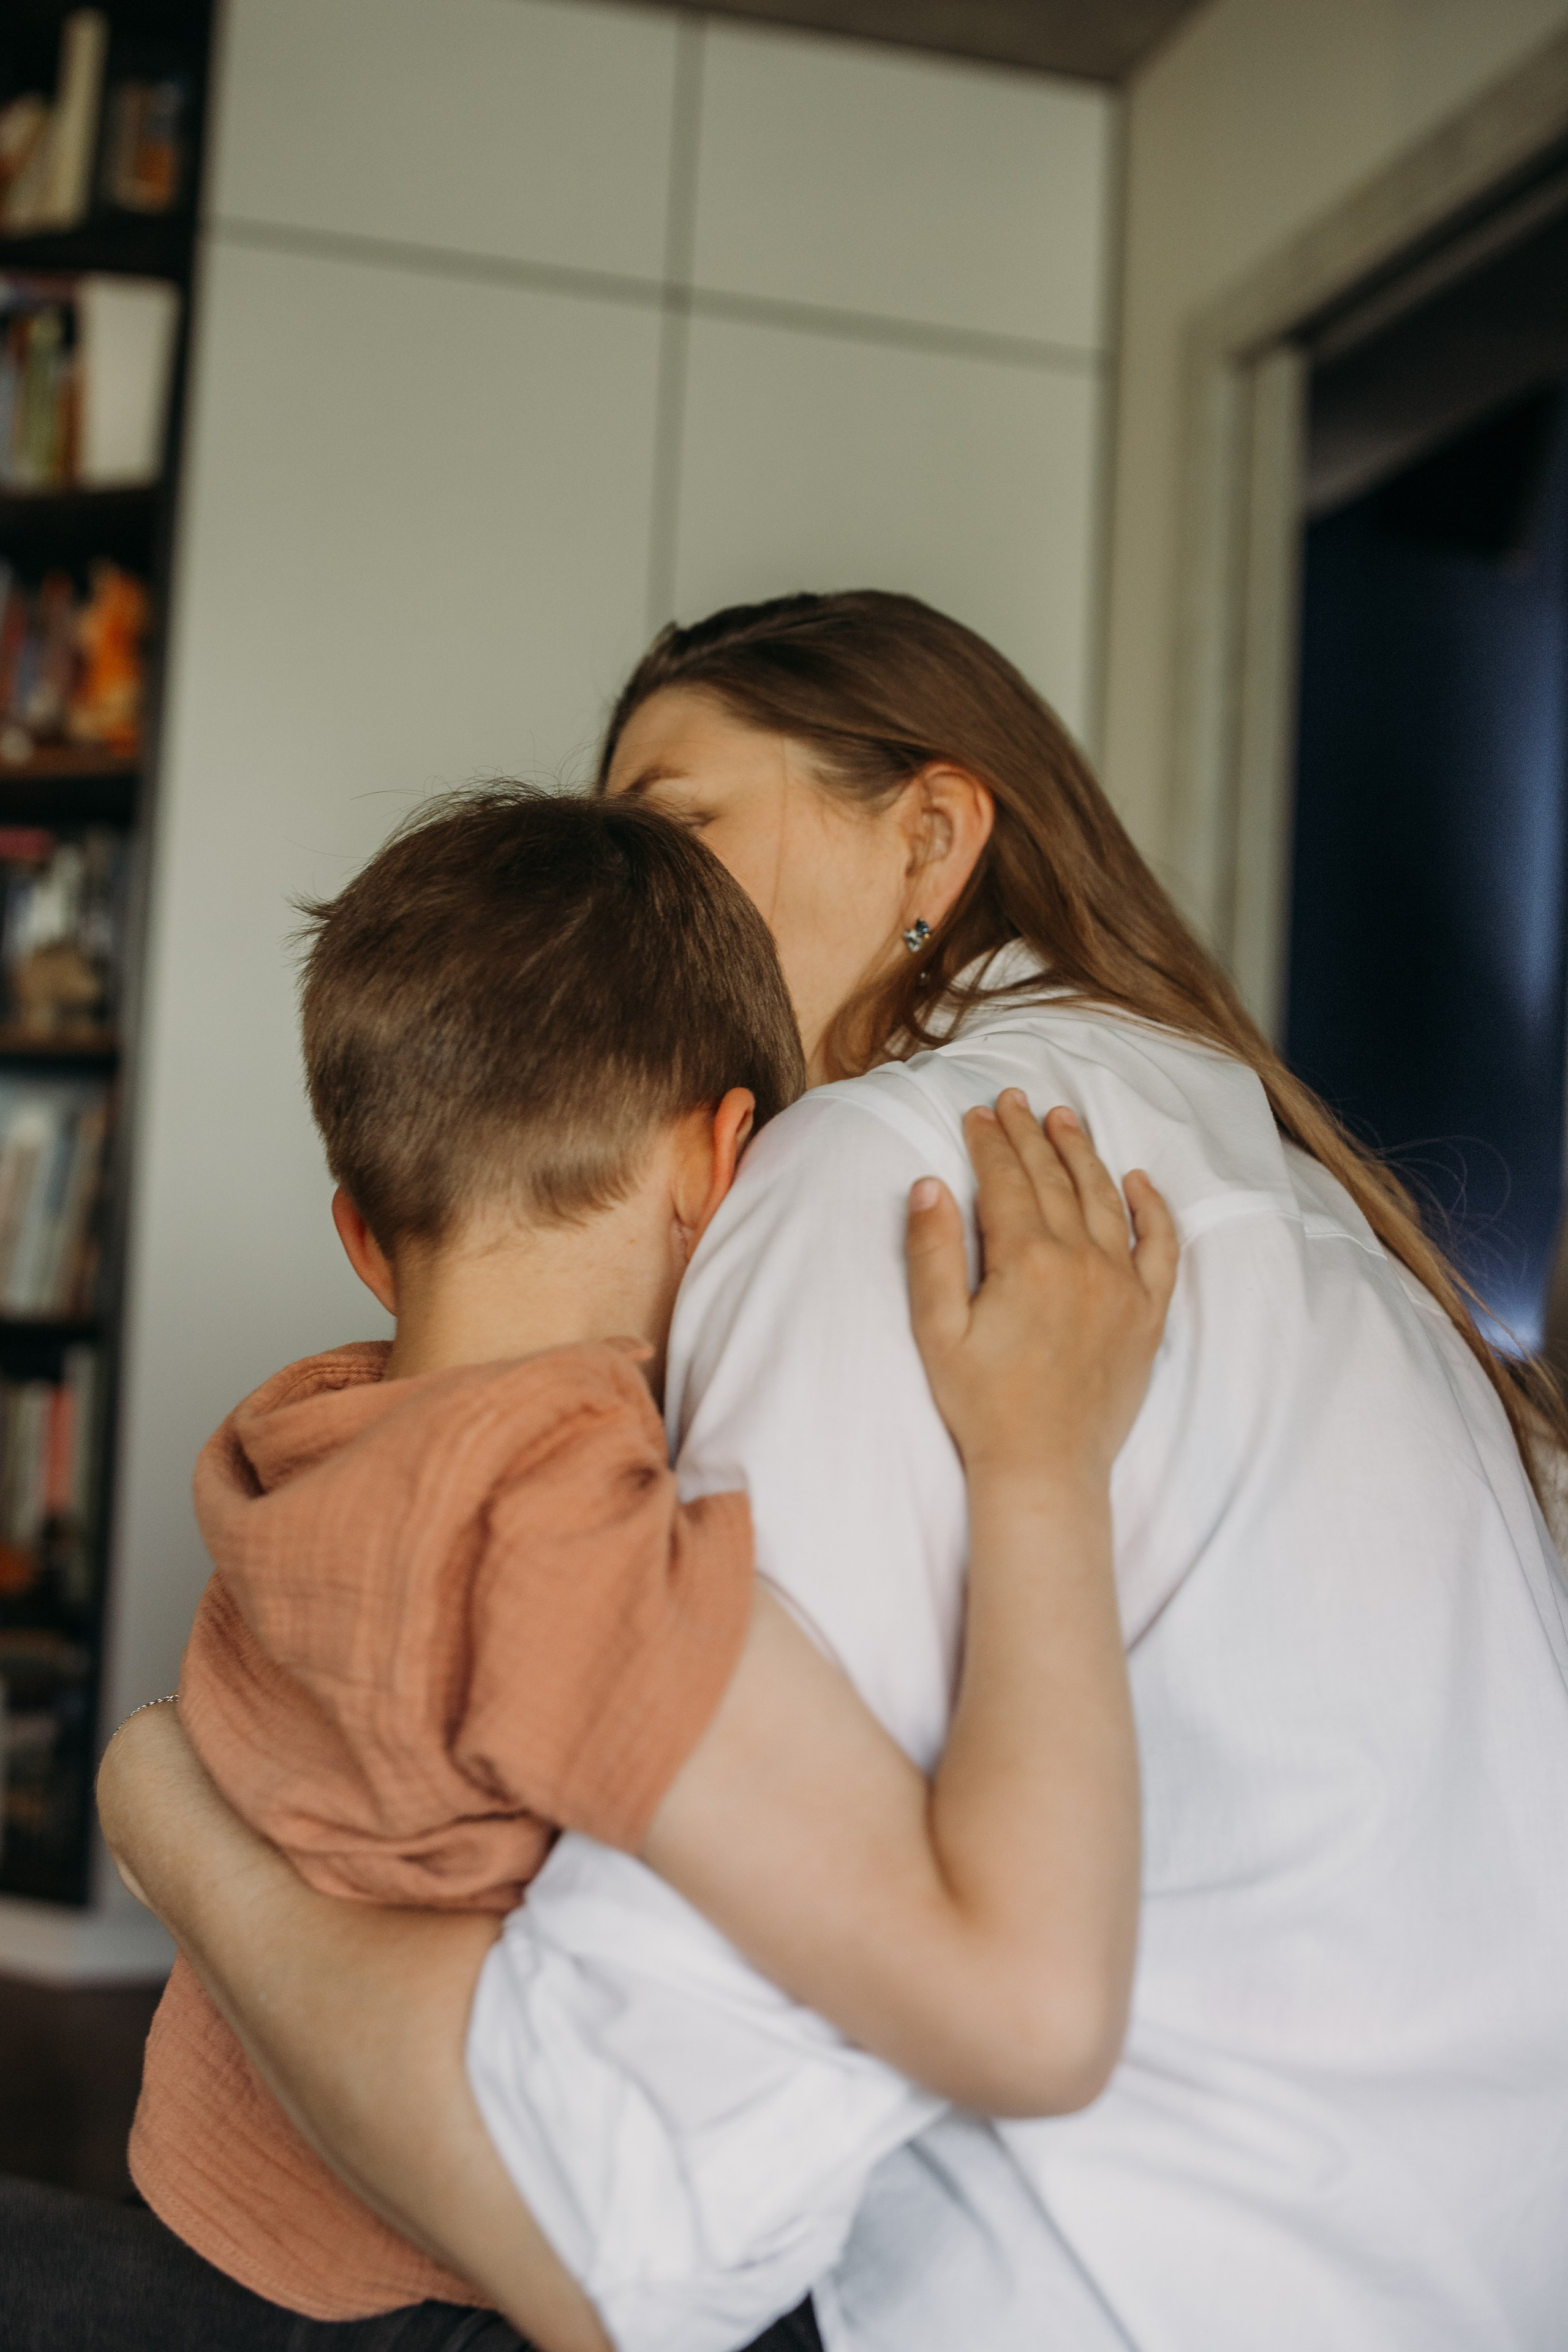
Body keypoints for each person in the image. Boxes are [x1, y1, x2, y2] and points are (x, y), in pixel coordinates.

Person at [100, 591, 1568, 2352]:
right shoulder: (1303, 1205)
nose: (632, 921)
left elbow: (617, 2214)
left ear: (931, 838)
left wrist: (161, 1808)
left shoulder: (886, 1175)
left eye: (670, 825)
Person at [11, 780, 1176, 2352]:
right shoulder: (546, 1527)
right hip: (404, 2290)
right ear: (721, 1166)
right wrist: (1043, 1457)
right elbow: (1022, 2024)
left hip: (216, 2178)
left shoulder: (314, 1437)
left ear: (360, 1233)